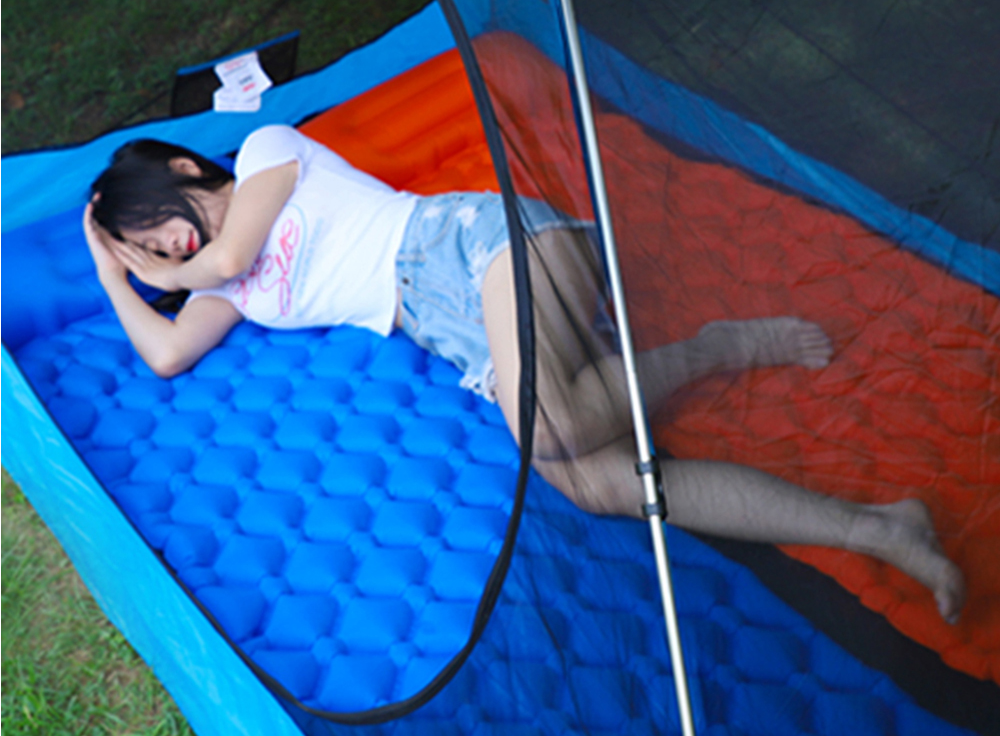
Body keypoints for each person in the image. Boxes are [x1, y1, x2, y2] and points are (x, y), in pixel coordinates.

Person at [84, 125, 965, 623]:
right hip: (458, 333)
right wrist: (111, 273)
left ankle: (717, 348)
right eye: (140, 248)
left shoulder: (266, 154)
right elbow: (166, 354)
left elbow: (230, 250)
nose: (158, 249)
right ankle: (881, 528)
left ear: (183, 170)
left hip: (481, 244)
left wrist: (164, 269)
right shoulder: (227, 290)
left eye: (147, 227)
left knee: (549, 427)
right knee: (598, 484)